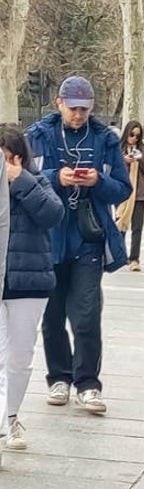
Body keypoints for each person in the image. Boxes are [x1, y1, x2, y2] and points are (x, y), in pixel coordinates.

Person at [25, 75, 131, 415]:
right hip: (48, 239)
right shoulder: (38, 136)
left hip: (88, 238)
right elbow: (22, 182)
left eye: (84, 109)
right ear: (59, 103)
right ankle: (59, 376)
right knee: (52, 316)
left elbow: (122, 188)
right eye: (73, 108)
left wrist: (98, 181)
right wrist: (57, 178)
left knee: (86, 315)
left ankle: (88, 383)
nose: (78, 115)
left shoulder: (105, 139)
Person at [0, 125, 63, 454]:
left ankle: (11, 415)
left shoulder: (35, 182)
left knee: (20, 357)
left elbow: (53, 214)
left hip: (28, 282)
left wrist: (20, 181)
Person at [114, 121, 144, 271]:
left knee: (137, 227)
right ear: (126, 133)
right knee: (120, 224)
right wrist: (123, 160)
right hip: (122, 192)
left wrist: (140, 158)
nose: (134, 138)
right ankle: (119, 255)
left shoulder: (142, 149)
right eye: (132, 135)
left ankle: (134, 258)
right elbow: (109, 168)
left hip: (139, 193)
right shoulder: (117, 149)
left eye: (137, 136)